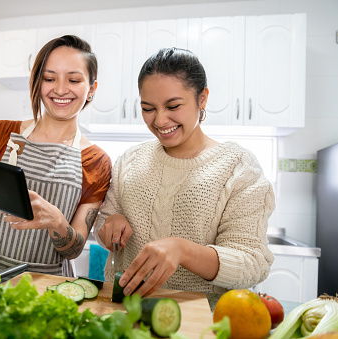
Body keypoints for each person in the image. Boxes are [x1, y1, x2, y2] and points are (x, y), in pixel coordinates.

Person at [95, 47, 275, 296]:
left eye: (173, 106)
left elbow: (252, 263)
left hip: (200, 322)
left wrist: (182, 250)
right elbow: (104, 225)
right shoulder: (130, 160)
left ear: (202, 98)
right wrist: (110, 225)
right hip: (126, 314)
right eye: (148, 108)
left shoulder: (238, 167)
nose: (159, 120)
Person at [0, 35, 112, 277]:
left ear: (92, 89)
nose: (60, 89)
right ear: (37, 83)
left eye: (73, 79)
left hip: (47, 287)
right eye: (49, 78)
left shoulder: (97, 161)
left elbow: (73, 249)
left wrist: (56, 221)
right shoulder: (0, 134)